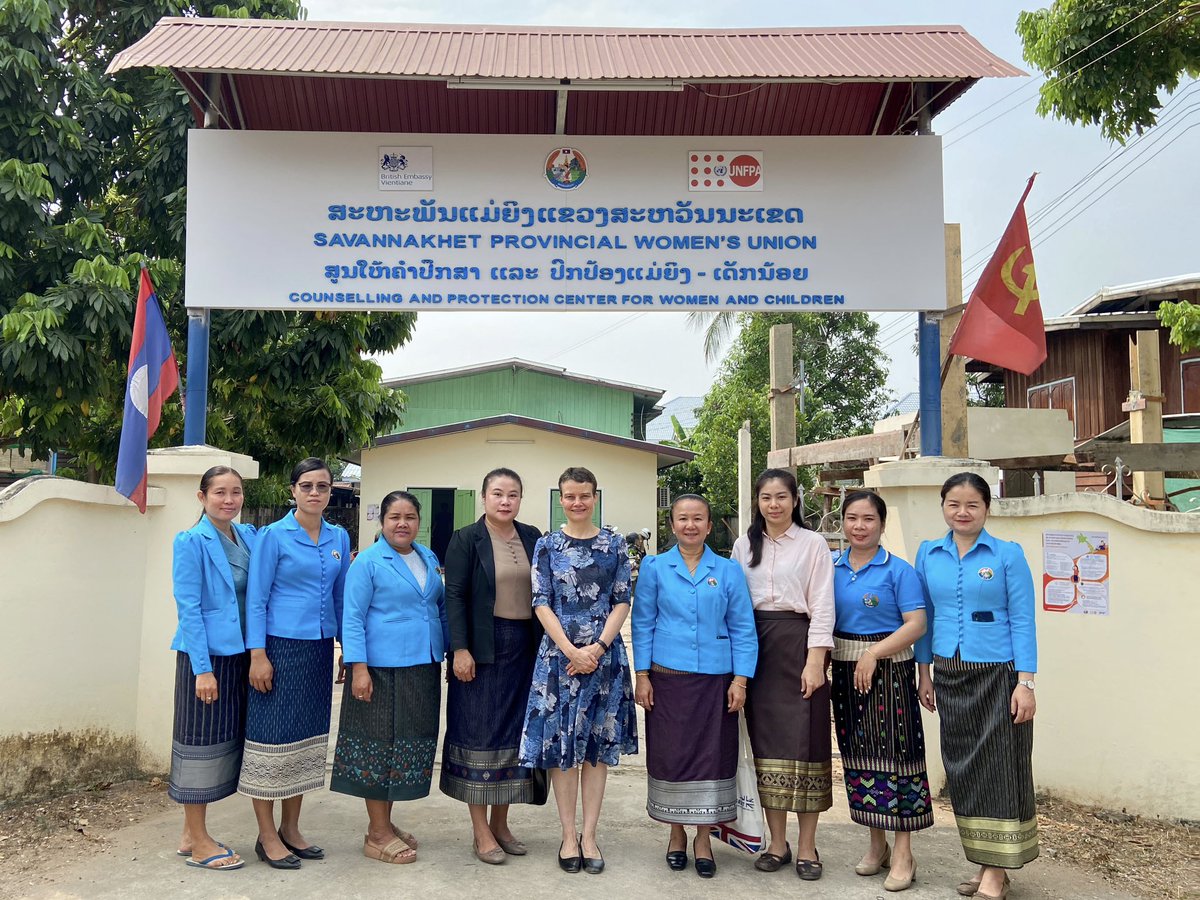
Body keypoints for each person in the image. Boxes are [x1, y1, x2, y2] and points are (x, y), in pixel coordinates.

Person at [915, 472, 1038, 900]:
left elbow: (1023, 620)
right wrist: (924, 671)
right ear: (943, 506)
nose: (962, 512)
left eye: (972, 505)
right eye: (954, 504)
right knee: (964, 771)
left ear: (987, 508)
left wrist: (1026, 683)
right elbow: (924, 616)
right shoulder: (929, 554)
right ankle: (986, 861)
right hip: (949, 673)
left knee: (1001, 769)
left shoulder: (1007, 555)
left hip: (998, 675)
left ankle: (997, 873)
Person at [519, 466, 638, 875]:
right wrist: (571, 648)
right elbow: (540, 600)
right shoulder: (547, 545)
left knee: (595, 750)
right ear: (561, 498)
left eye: (584, 495)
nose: (577, 502)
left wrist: (599, 646)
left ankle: (590, 834)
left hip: (604, 658)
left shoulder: (614, 544)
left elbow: (622, 598)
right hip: (559, 661)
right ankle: (568, 835)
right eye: (569, 496)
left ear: (595, 496)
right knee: (562, 749)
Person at [632, 494, 757, 879]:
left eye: (698, 519)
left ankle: (703, 838)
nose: (690, 525)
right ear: (672, 525)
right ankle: (675, 833)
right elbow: (642, 623)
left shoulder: (728, 570)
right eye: (683, 519)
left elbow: (742, 627)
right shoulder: (654, 567)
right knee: (671, 756)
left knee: (712, 757)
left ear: (708, 524)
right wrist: (642, 675)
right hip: (668, 679)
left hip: (716, 681)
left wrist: (740, 679)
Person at [239, 457, 351, 870]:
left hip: (320, 651)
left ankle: (291, 827)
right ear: (293, 490)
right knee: (271, 742)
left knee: (305, 742)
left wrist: (347, 651)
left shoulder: (339, 536)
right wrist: (258, 655)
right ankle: (267, 835)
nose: (315, 493)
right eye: (307, 486)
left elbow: (341, 601)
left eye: (322, 486)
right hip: (279, 650)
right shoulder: (273, 536)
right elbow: (257, 599)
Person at [331, 490, 447, 865]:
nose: (402, 524)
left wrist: (450, 650)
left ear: (418, 522)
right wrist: (358, 668)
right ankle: (377, 832)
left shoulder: (426, 556)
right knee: (378, 744)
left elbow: (439, 608)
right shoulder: (368, 562)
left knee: (405, 744)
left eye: (410, 517)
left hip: (422, 664)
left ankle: (386, 822)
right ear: (382, 522)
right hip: (380, 668)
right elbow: (352, 617)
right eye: (395, 517)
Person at [731, 468, 834, 880]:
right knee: (766, 745)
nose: (773, 505)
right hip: (756, 647)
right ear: (757, 502)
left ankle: (808, 846)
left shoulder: (814, 544)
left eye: (781, 497)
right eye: (766, 497)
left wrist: (816, 660)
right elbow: (736, 605)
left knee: (806, 745)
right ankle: (777, 843)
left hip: (799, 643)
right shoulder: (743, 545)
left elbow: (824, 605)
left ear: (795, 500)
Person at [440, 468, 546, 864]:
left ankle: (501, 824)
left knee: (514, 738)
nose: (505, 501)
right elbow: (454, 597)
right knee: (478, 734)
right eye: (498, 493)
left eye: (513, 494)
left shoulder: (533, 537)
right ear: (484, 497)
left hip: (526, 647)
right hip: (482, 648)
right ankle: (481, 831)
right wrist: (460, 650)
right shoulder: (466, 539)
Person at [831, 491, 932, 892]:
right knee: (858, 756)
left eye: (868, 519)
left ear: (882, 524)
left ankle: (904, 851)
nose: (859, 526)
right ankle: (877, 845)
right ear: (842, 522)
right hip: (843, 672)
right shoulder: (831, 568)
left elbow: (917, 624)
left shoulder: (899, 571)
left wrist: (874, 653)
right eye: (852, 518)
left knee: (897, 757)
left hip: (890, 672)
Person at [168, 465, 258, 871]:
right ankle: (200, 839)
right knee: (198, 743)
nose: (229, 500)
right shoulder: (191, 541)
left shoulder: (250, 536)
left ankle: (191, 834)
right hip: (203, 658)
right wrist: (202, 670)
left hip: (239, 653)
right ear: (201, 497)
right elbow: (188, 607)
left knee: (224, 740)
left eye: (236, 492)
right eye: (220, 492)